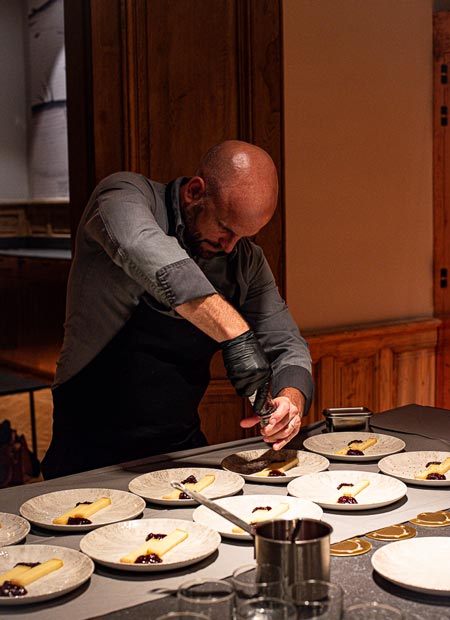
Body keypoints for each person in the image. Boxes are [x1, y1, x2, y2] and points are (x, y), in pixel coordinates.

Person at [41, 140, 314, 479]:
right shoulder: (123, 194)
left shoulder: (244, 260)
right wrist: (237, 335)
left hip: (179, 453)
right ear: (195, 191)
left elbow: (288, 344)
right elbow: (147, 251)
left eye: (243, 236)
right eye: (226, 228)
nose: (230, 246)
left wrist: (291, 401)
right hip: (87, 453)